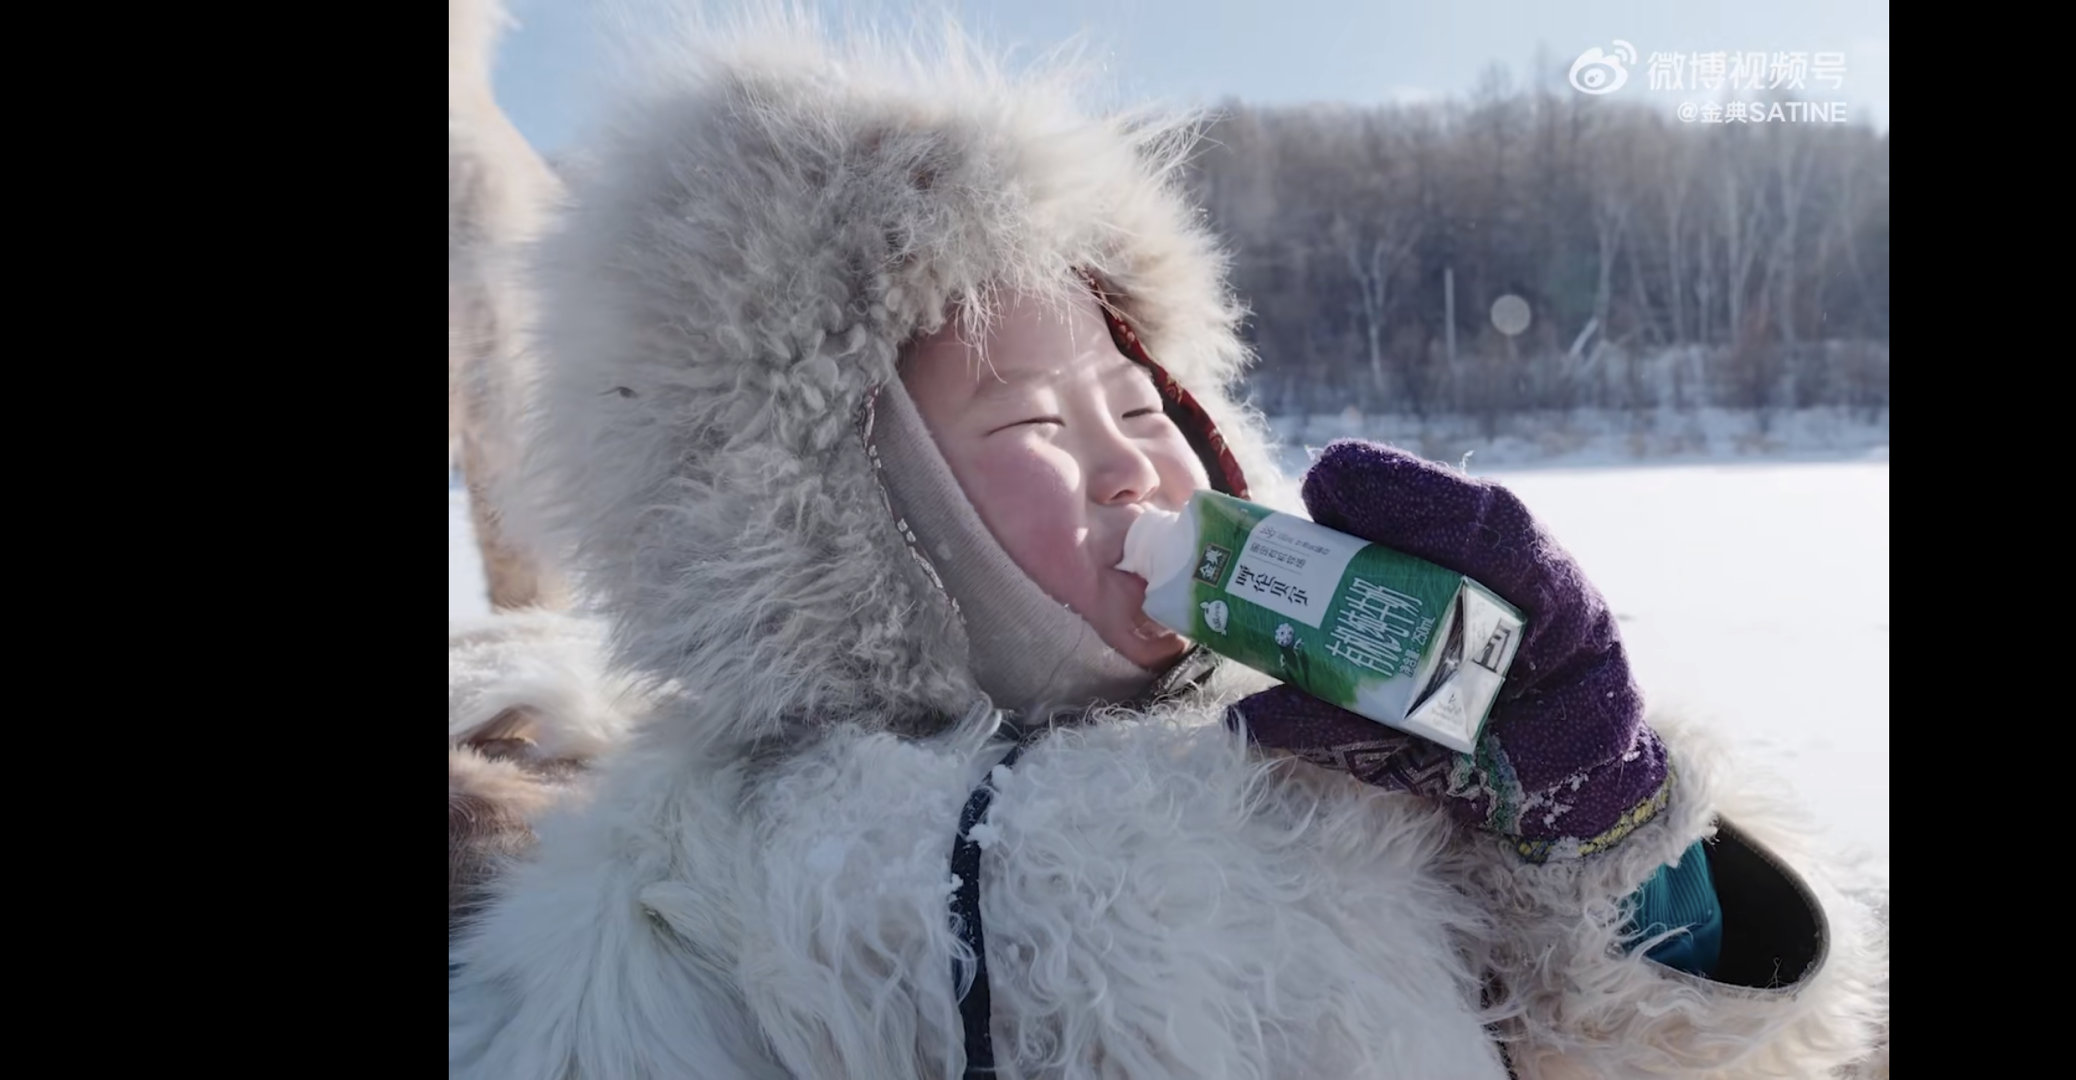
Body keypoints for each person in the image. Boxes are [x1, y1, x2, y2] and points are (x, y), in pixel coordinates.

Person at [448, 15, 1888, 1079]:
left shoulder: (1361, 759)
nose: (1129, 457)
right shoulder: (701, 871)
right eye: (1025, 429)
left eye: (1137, 400)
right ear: (828, 519)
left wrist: (1605, 824)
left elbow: (1675, 1054)